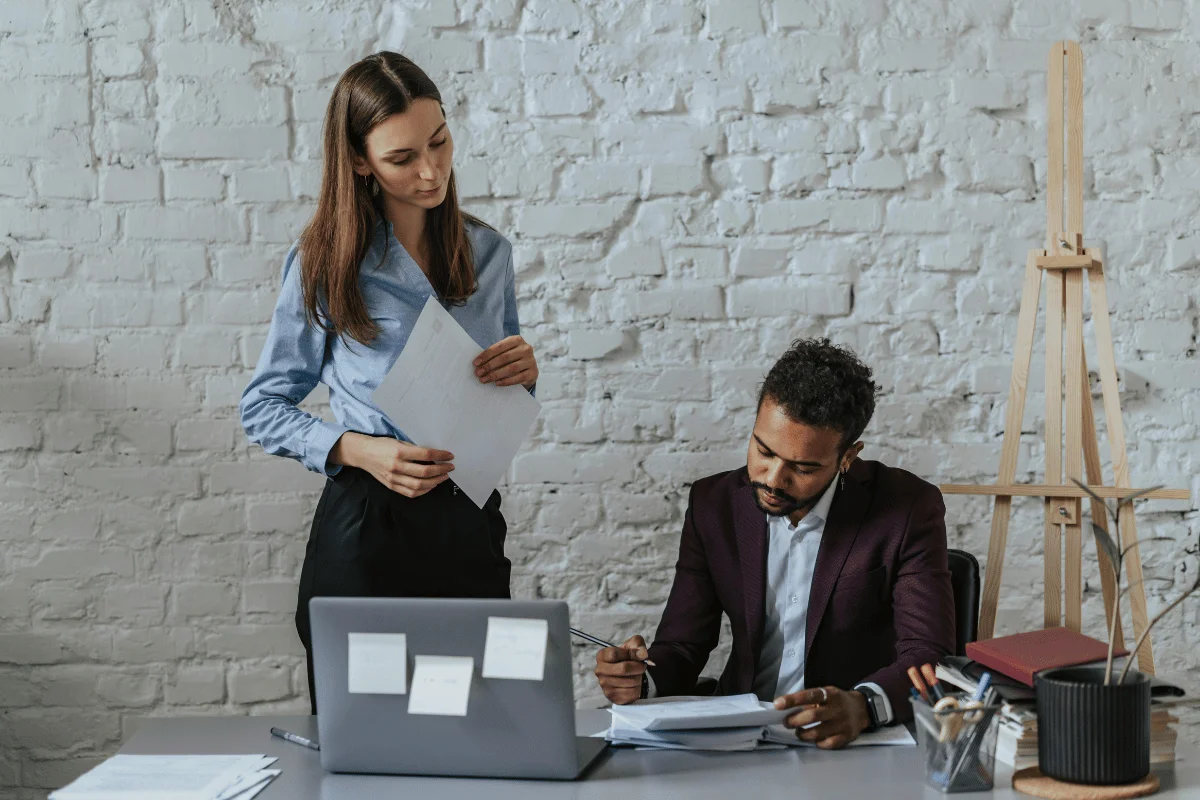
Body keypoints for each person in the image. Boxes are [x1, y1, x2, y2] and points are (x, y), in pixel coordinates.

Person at [239, 52, 538, 713]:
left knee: (481, 733)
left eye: (440, 142)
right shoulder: (324, 261)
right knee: (364, 741)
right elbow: (262, 406)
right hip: (366, 529)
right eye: (403, 158)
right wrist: (359, 449)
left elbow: (501, 396)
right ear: (359, 162)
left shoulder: (490, 254)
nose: (431, 171)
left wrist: (524, 375)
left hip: (468, 523)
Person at [594, 338, 954, 748]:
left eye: (803, 467)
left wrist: (865, 706)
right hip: (739, 738)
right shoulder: (713, 505)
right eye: (763, 450)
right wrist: (641, 681)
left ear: (848, 457)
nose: (772, 479)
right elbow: (683, 645)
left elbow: (929, 653)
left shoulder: (906, 507)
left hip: (852, 742)